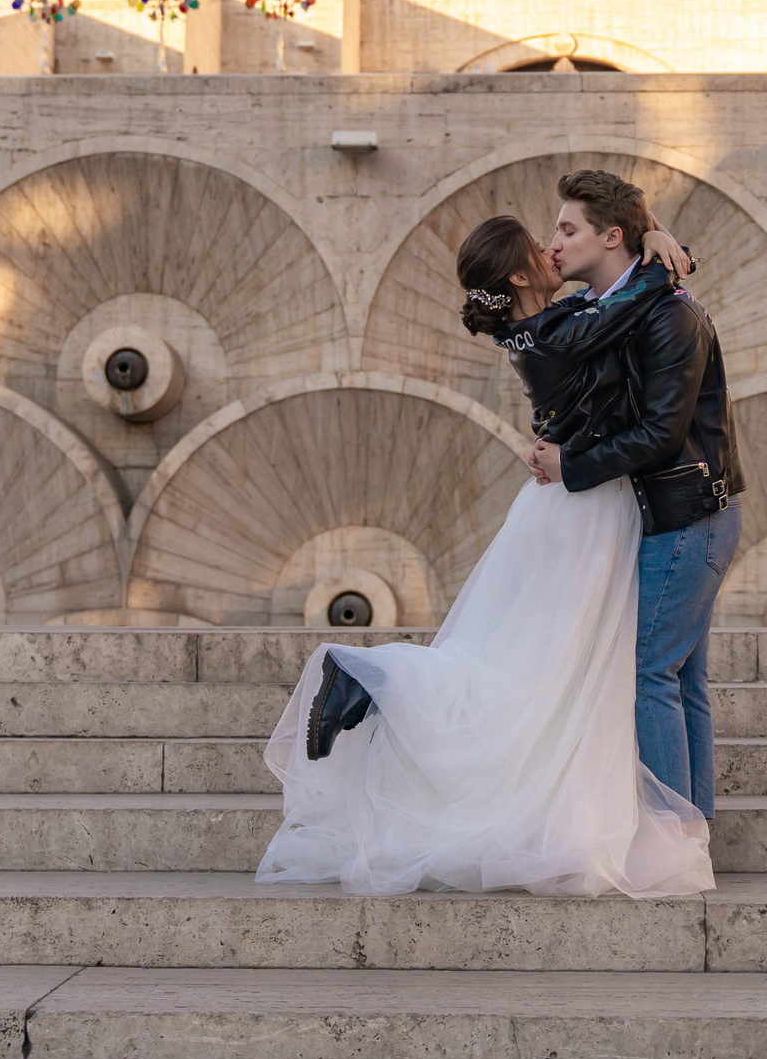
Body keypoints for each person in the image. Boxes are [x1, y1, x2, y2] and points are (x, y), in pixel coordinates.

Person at [260, 210, 710, 899]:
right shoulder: (550, 330)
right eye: (542, 245)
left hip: (571, 503)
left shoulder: (546, 323)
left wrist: (648, 230)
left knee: (534, 662)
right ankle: (370, 674)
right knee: (534, 670)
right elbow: (630, 306)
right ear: (521, 272)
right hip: (580, 508)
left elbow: (614, 301)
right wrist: (659, 252)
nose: (555, 248)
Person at [525, 170, 744, 823]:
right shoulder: (631, 307)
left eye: (568, 229)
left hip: (689, 514)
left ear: (611, 236)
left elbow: (660, 433)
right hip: (686, 513)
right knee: (680, 679)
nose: (555, 242)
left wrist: (571, 464)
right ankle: (690, 836)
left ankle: (673, 838)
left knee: (651, 674)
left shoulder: (669, 314)